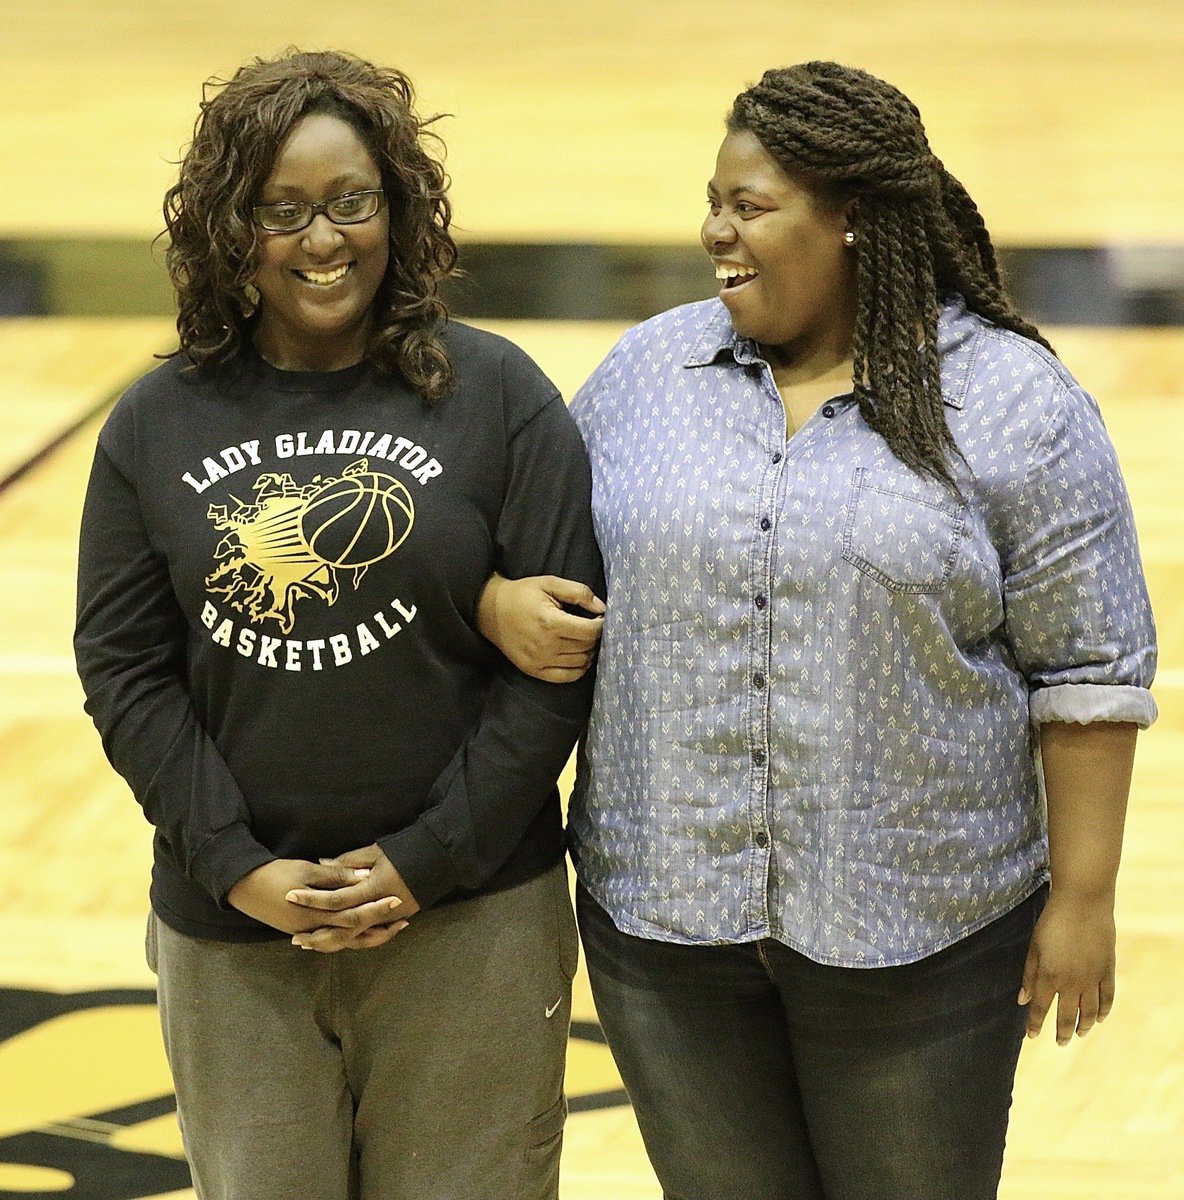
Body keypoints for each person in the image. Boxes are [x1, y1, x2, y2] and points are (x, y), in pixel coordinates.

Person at [477, 61, 1157, 1200]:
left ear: (850, 219)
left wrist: (1081, 902)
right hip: (664, 922)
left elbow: (1085, 670)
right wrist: (498, 599)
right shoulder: (647, 373)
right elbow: (526, 554)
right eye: (713, 202)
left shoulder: (1009, 403)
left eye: (749, 207)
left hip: (919, 935)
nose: (714, 233)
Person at [74, 49, 602, 1200]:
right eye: (284, 210)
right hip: (236, 938)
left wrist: (426, 860)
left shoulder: (497, 394)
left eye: (353, 202)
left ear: (397, 207)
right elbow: (123, 669)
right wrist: (234, 866)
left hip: (471, 921)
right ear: (229, 226)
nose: (324, 241)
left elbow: (559, 665)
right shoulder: (155, 422)